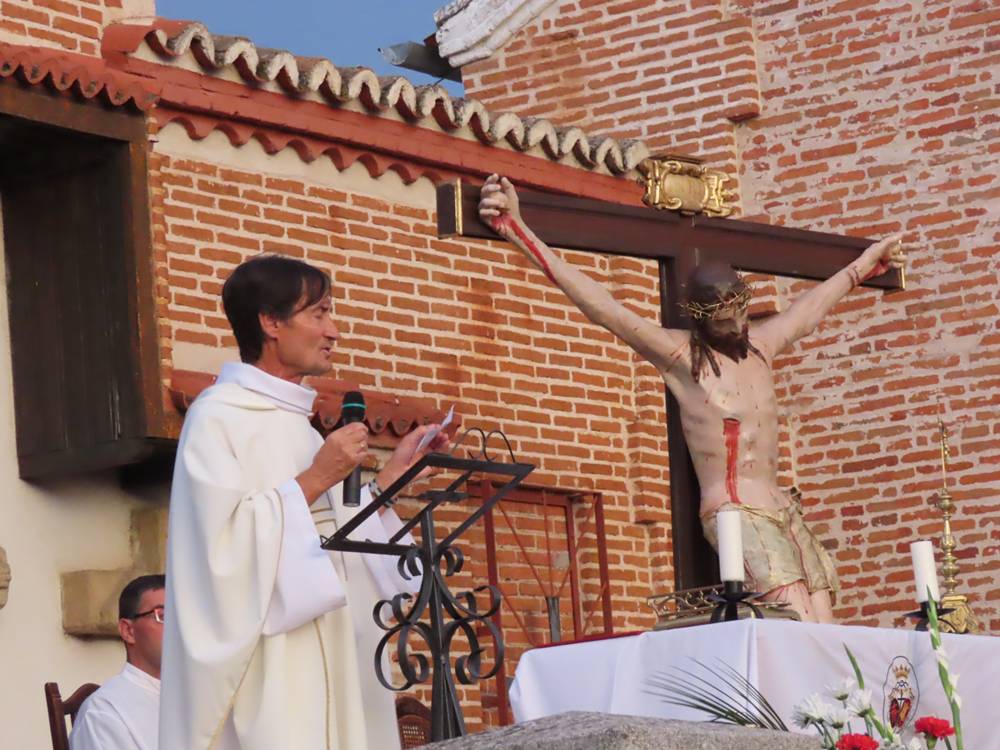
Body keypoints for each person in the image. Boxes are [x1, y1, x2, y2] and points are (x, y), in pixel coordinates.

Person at [479, 175, 906, 623]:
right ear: (701, 319)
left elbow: (811, 308)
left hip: (783, 507)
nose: (736, 324)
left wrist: (862, 268)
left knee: (825, 616)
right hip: (735, 511)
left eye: (739, 311)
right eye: (723, 318)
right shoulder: (682, 358)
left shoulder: (762, 345)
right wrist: (519, 230)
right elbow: (603, 306)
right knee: (794, 615)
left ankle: (838, 698)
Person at [160, 255, 448, 750]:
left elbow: (334, 540)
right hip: (275, 669)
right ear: (270, 322)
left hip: (338, 652)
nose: (333, 330)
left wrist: (390, 485)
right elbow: (216, 555)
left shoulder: (298, 424)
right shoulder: (218, 418)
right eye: (318, 314)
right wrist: (315, 478)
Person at [71, 574, 165, 750]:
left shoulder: (196, 699)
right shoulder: (103, 712)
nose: (177, 627)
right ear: (128, 630)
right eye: (163, 615)